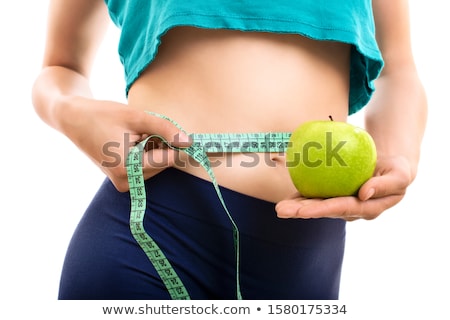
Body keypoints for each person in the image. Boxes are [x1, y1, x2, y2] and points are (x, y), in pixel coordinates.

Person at [32, 0, 427, 299]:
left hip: (307, 256)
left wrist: (399, 153)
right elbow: (60, 67)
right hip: (153, 229)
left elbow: (397, 69)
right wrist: (71, 112)